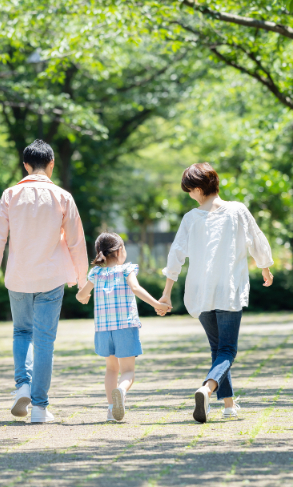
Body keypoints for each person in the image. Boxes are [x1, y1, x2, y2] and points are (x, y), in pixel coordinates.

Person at [158, 163, 274, 424]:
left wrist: (167, 294)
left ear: (199, 189)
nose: (190, 195)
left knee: (218, 349)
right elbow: (256, 238)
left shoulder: (190, 218)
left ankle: (230, 406)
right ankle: (207, 388)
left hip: (200, 293)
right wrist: (265, 267)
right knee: (227, 350)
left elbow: (175, 255)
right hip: (227, 290)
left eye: (189, 190)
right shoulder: (237, 210)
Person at [0, 139, 89, 423]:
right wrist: (83, 281)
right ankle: (40, 408)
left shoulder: (9, 195)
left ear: (26, 165)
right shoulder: (63, 197)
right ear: (51, 164)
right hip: (51, 277)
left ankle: (23, 386)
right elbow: (77, 242)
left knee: (21, 332)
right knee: (44, 340)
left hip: (18, 276)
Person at [75, 232, 171, 422]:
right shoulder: (127, 269)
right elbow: (136, 289)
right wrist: (157, 305)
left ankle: (112, 409)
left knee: (111, 369)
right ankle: (121, 390)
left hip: (103, 329)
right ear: (119, 251)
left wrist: (84, 296)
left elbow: (80, 296)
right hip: (125, 326)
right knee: (128, 371)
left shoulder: (96, 273)